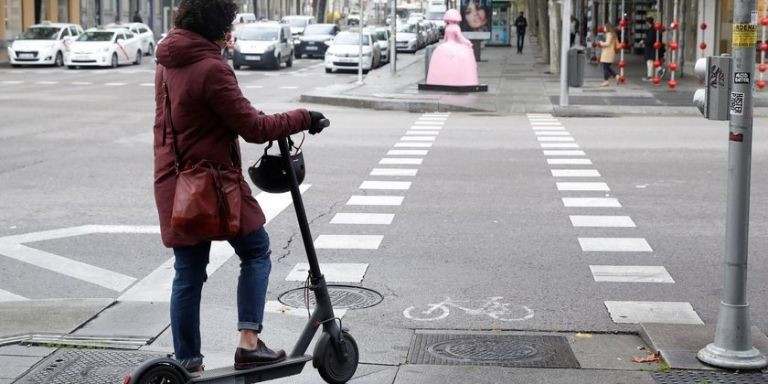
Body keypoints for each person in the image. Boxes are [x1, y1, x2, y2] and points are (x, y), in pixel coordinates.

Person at [152, 0, 326, 374]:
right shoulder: (212, 67)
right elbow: (252, 128)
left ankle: (187, 363)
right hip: (212, 184)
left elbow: (200, 118)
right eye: (228, 27)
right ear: (217, 26)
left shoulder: (168, 63)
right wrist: (303, 117)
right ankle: (249, 343)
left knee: (187, 270)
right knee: (257, 250)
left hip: (173, 181)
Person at [598, 22, 619, 87]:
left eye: (604, 27)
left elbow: (607, 43)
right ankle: (616, 76)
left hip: (608, 52)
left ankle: (606, 81)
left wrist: (601, 43)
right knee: (607, 67)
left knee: (606, 67)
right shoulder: (612, 34)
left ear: (607, 28)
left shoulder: (609, 34)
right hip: (609, 52)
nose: (603, 28)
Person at [642, 17, 657, 81]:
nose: (646, 24)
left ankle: (650, 76)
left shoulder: (651, 30)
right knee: (650, 62)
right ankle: (651, 75)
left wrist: (644, 41)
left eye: (646, 23)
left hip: (650, 49)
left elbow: (650, 40)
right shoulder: (652, 29)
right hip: (650, 48)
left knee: (649, 62)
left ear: (648, 23)